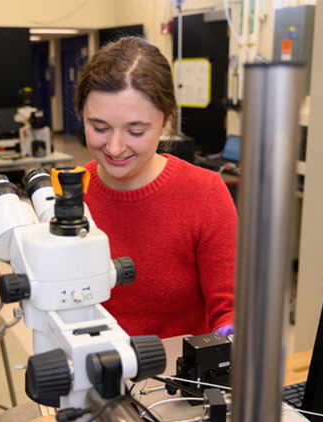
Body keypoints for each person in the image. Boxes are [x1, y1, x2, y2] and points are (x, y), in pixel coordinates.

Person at [75, 36, 237, 339]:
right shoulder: (66, 191)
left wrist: (232, 332)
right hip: (89, 372)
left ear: (165, 123)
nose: (115, 147)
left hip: (175, 377)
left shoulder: (205, 193)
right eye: (99, 128)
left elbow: (228, 305)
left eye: (135, 131)